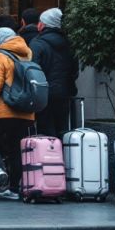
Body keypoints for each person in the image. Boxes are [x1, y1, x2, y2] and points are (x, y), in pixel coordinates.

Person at [0, 27, 35, 201]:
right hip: (25, 110)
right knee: (16, 149)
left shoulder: (0, 55)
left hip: (4, 109)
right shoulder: (27, 53)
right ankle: (13, 189)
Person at [30, 8, 78, 136]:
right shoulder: (69, 43)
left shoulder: (37, 43)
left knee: (45, 130)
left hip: (43, 94)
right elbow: (75, 70)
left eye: (40, 21)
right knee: (62, 129)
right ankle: (63, 155)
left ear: (44, 24)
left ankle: (49, 155)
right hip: (65, 92)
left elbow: (32, 69)